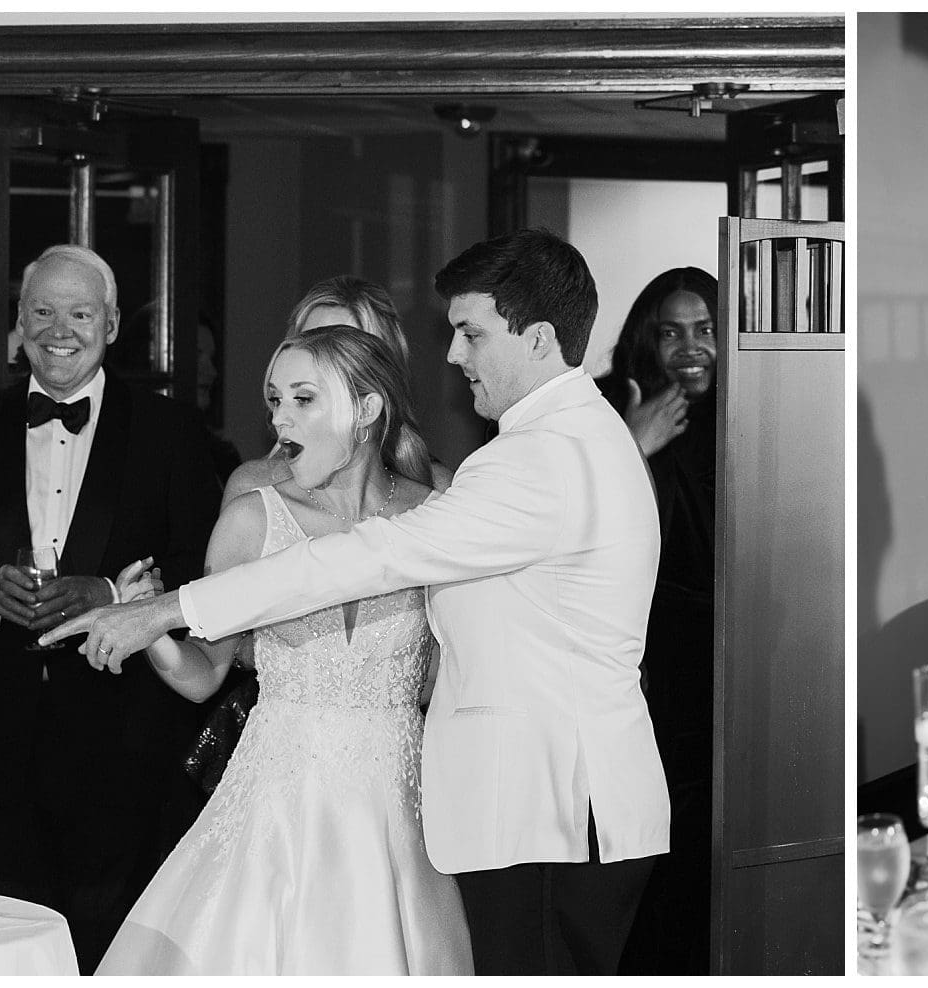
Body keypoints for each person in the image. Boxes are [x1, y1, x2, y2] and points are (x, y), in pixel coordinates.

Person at [43, 229, 670, 976]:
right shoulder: (588, 437)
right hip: (554, 805)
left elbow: (374, 556)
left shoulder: (531, 462)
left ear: (537, 339)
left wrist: (162, 609)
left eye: (472, 333)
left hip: (547, 811)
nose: (453, 355)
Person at [92, 326, 470, 974]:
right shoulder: (252, 518)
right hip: (273, 822)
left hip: (399, 829)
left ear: (369, 409)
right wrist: (153, 633)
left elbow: (445, 676)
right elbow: (205, 676)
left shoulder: (436, 518)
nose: (279, 419)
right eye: (274, 400)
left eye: (302, 399)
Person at [0, 244, 222, 973]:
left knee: (112, 935)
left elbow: (203, 563)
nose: (59, 329)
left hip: (126, 732)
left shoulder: (169, 432)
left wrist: (111, 595)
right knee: (0, 933)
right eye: (41, 311)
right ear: (18, 322)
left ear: (110, 325)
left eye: (79, 313)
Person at [597, 267, 718, 974]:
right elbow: (576, 526)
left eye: (704, 330)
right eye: (671, 331)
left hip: (732, 652)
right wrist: (631, 444)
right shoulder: (615, 404)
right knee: (652, 846)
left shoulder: (752, 405)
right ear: (647, 336)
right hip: (647, 657)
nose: (690, 347)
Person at [223, 275, 451, 501]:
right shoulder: (253, 488)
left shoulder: (439, 491)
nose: (323, 361)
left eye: (345, 347)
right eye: (310, 342)